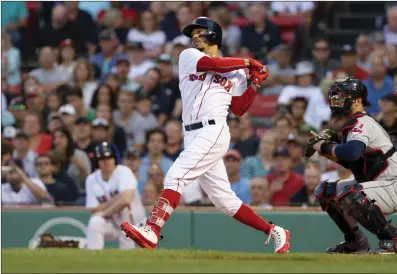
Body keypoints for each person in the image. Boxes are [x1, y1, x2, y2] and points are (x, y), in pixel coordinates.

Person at [121, 17, 291, 253]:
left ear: (214, 35)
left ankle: (152, 229)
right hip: (192, 133)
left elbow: (239, 108)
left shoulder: (237, 73)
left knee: (176, 176)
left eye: (200, 32)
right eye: (194, 33)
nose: (195, 36)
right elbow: (215, 66)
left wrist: (254, 84)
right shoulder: (188, 56)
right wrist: (247, 62)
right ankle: (274, 231)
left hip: (214, 130)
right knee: (224, 201)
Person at [305, 77, 397, 254]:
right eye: (336, 95)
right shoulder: (354, 124)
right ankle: (355, 242)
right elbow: (355, 162)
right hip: (381, 183)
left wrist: (324, 145)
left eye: (343, 95)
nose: (337, 99)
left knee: (352, 194)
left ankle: (391, 239)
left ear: (357, 100)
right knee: (325, 192)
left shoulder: (362, 122)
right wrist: (329, 152)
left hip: (393, 183)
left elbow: (352, 152)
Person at [85, 142, 146, 250]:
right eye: (102, 158)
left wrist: (104, 212)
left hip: (135, 225)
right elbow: (94, 209)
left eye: (109, 157)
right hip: (112, 224)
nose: (106, 161)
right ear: (97, 161)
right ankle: (93, 256)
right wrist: (117, 197)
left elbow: (125, 201)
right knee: (95, 222)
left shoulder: (123, 172)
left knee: (130, 261)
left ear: (115, 159)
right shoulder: (91, 179)